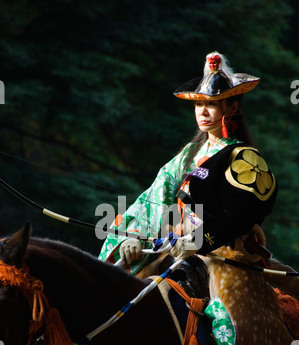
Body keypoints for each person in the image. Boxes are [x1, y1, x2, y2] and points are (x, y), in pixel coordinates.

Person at [99, 52, 278, 275]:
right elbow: (155, 198)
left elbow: (241, 214)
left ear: (232, 108)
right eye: (198, 104)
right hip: (173, 246)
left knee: (222, 310)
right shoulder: (189, 153)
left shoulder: (244, 157)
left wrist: (198, 241)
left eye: (211, 104)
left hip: (222, 254)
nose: (202, 112)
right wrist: (133, 236)